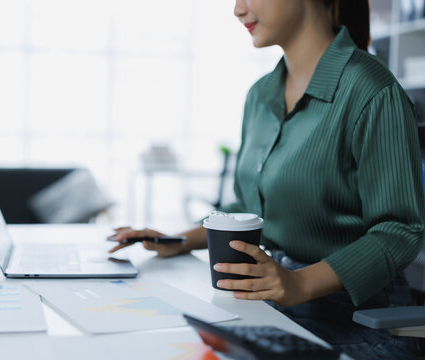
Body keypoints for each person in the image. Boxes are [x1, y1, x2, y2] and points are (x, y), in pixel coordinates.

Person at [109, 0, 425, 358]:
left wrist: (298, 281)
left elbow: (400, 230)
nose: (238, 9)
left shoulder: (372, 90)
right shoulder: (261, 95)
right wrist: (177, 239)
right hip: (271, 306)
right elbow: (248, 206)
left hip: (357, 325)